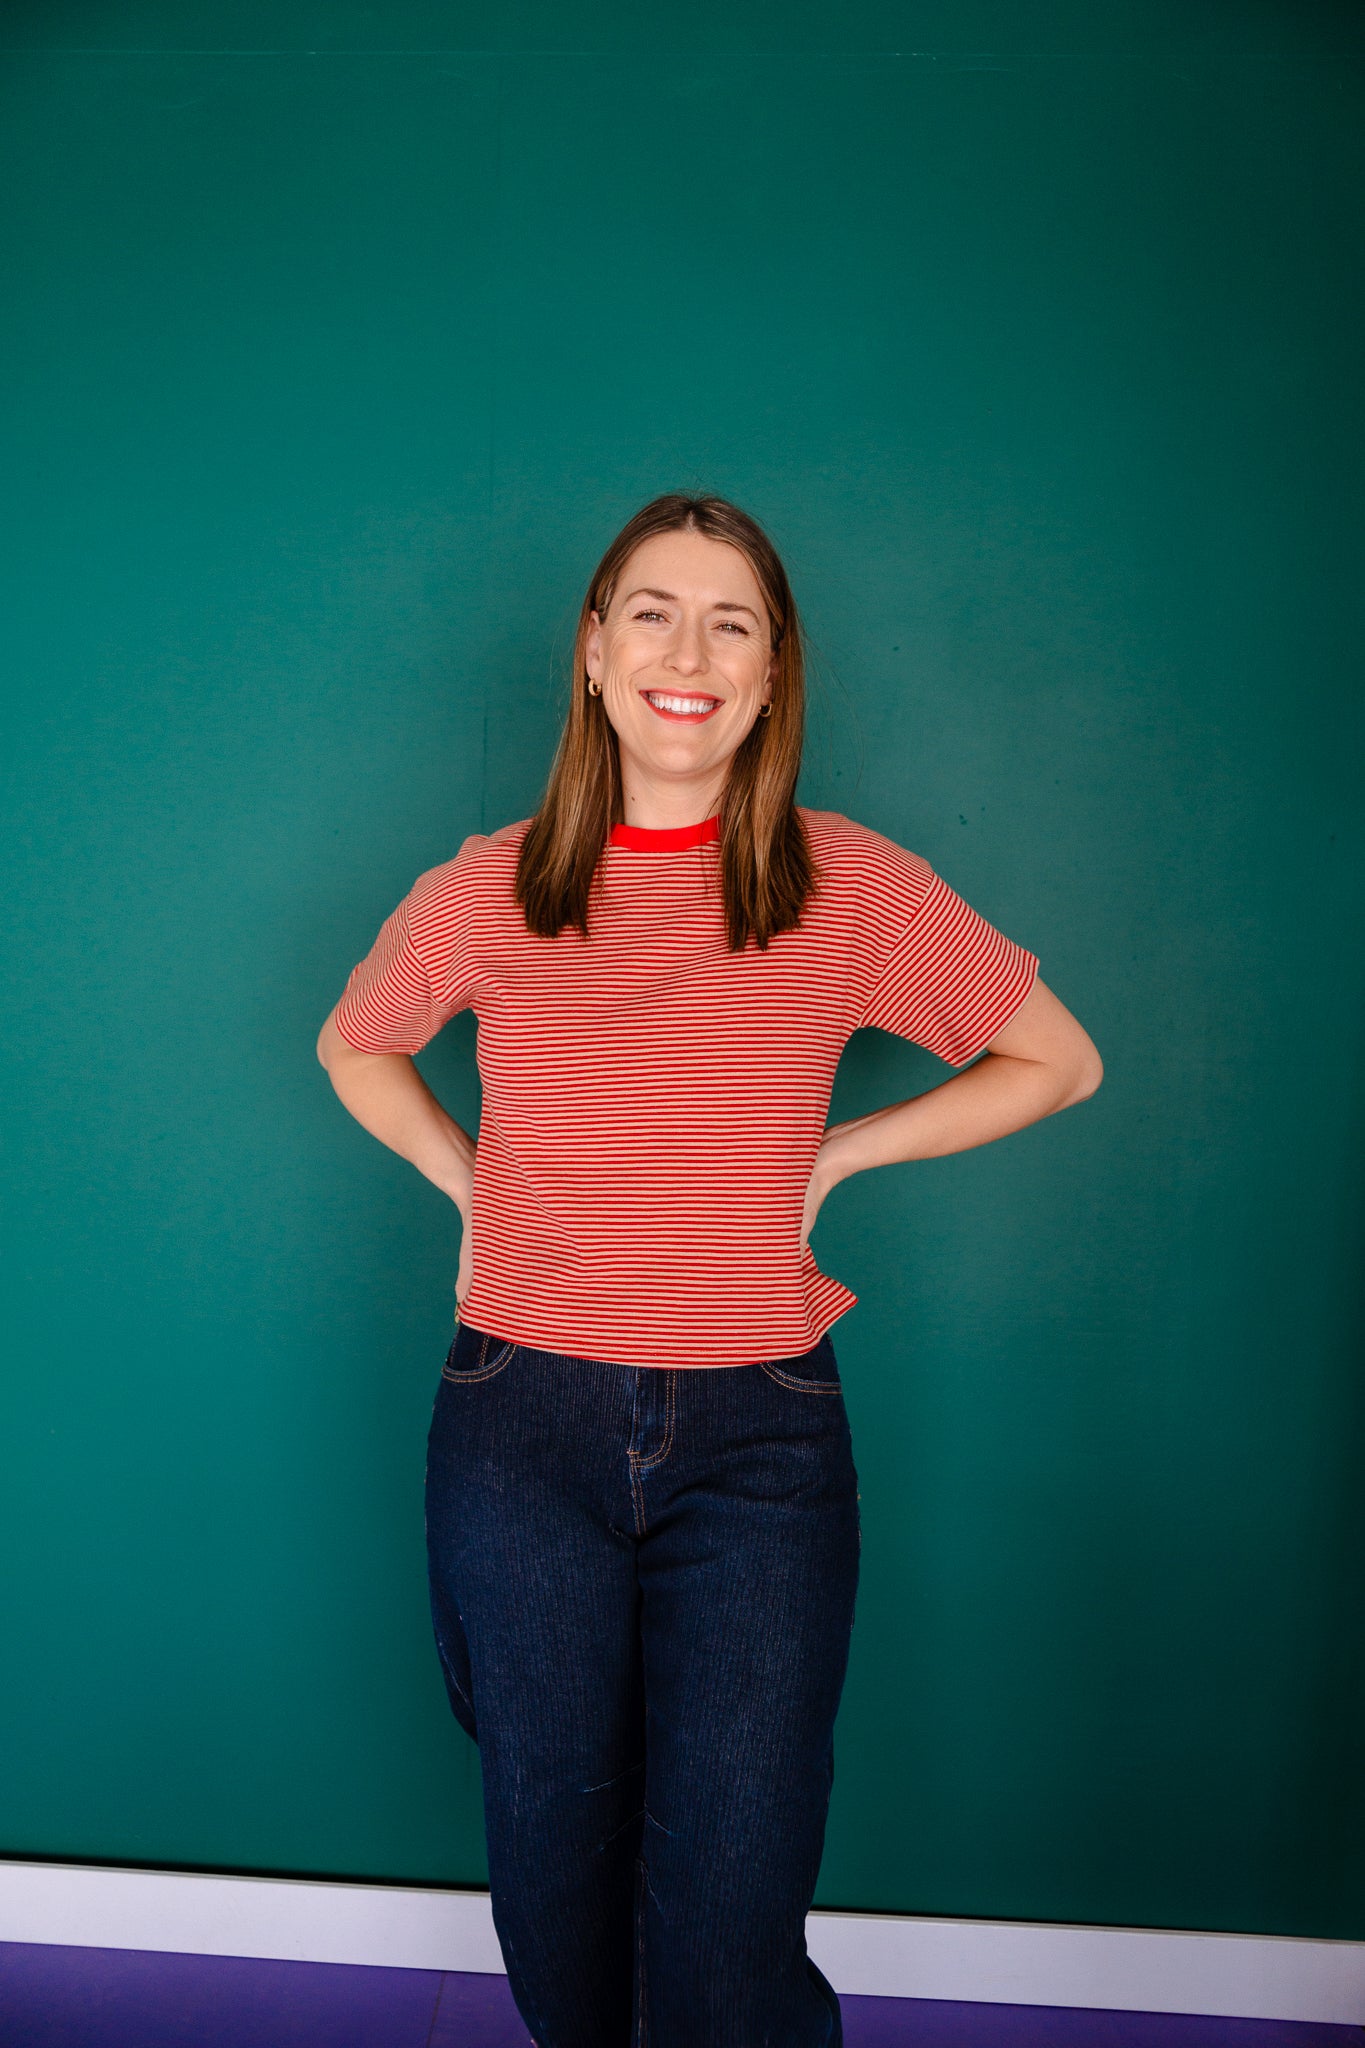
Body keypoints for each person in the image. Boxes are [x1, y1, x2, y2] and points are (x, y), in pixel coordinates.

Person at [316, 492, 1102, 2048]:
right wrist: (461, 1178)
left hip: (759, 1444)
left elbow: (1055, 1060)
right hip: (515, 1424)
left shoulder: (846, 887)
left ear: (768, 674)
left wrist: (835, 1158)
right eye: (655, 613)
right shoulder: (488, 887)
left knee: (732, 1885)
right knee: (551, 1864)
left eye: (730, 621)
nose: (691, 650)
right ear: (594, 655)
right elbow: (356, 1042)